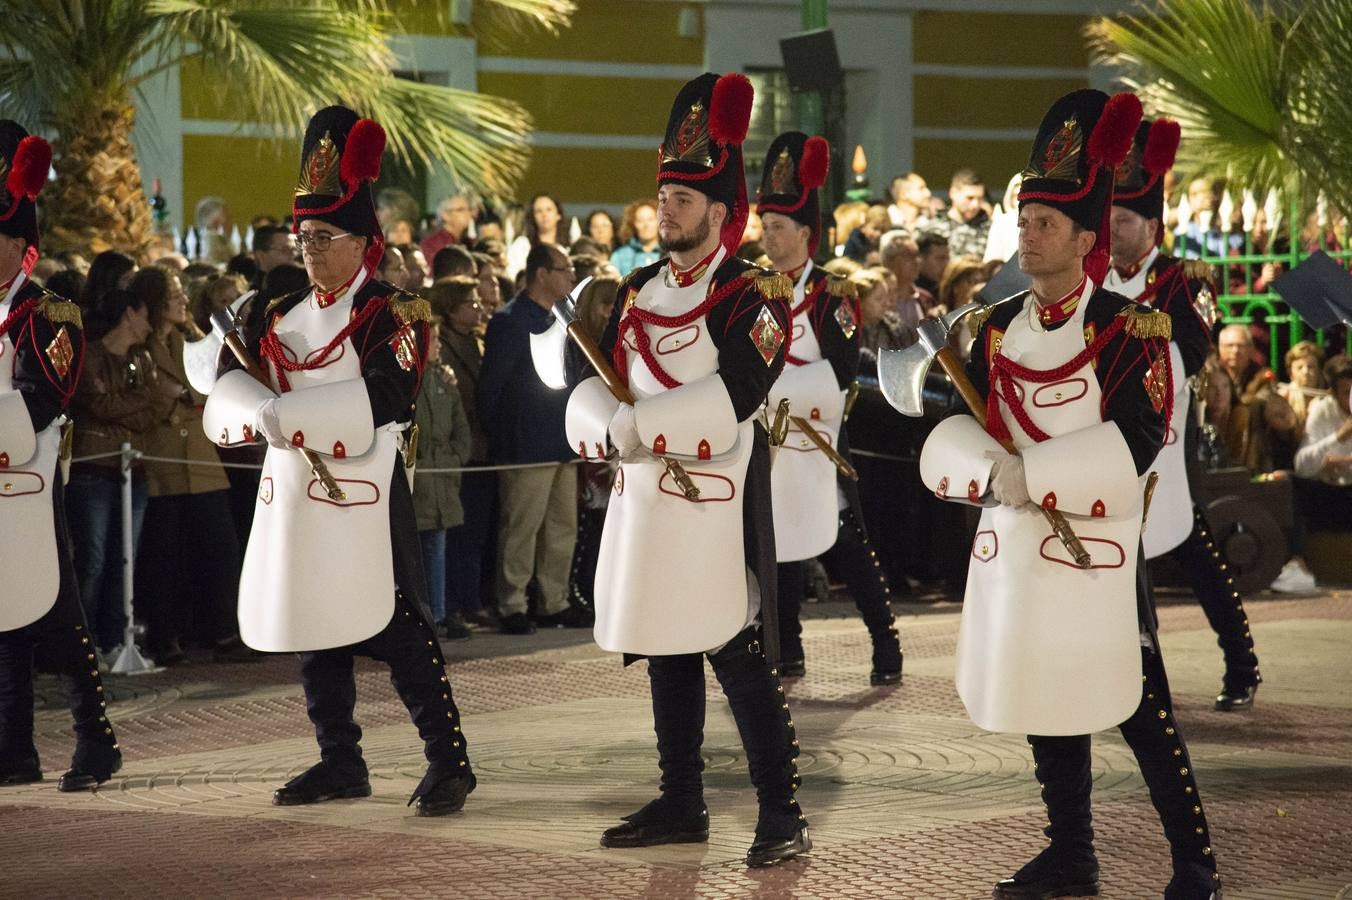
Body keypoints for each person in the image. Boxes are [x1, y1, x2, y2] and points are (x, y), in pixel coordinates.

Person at [912, 90, 1222, 899]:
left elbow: (1138, 439)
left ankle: (1196, 864)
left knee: (1140, 707)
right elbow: (952, 429)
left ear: (1087, 238)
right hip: (1017, 548)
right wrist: (987, 472)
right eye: (1026, 218)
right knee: (1045, 696)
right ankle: (1070, 853)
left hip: (1100, 550)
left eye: (1047, 222)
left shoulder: (1132, 331)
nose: (1029, 232)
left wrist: (1035, 472)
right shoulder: (989, 327)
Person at [564, 72, 809, 867]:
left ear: (718, 209)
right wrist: (603, 427)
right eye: (662, 193)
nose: (664, 208)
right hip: (644, 500)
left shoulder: (755, 292)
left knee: (736, 652)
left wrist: (641, 424)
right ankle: (681, 799)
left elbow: (739, 390)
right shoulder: (635, 290)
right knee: (663, 646)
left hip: (717, 499)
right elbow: (609, 383)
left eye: (681, 197)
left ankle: (782, 812)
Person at [202, 106, 474, 815]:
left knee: (396, 627)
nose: (310, 248)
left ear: (365, 243)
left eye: (324, 237)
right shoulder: (277, 308)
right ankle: (339, 760)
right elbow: (221, 380)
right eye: (303, 235)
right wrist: (244, 403)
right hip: (293, 490)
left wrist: (286, 415)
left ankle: (450, 763)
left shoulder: (396, 312)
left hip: (366, 488)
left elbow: (389, 394)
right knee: (312, 626)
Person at [1106, 117, 1260, 711]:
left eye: (1124, 220)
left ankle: (1241, 664)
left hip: (1167, 437)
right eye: (1109, 219)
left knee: (1193, 549)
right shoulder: (1093, 281)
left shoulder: (1183, 280)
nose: (1112, 231)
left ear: (1152, 224)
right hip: (1111, 437)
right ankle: (1133, 668)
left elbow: (1193, 350)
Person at [0, 122, 122, 791]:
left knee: (58, 614)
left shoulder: (49, 316)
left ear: (21, 244)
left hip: (29, 483)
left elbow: (44, 399)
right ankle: (14, 747)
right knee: (1, 623)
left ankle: (95, 740)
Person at [756, 132, 903, 685]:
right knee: (780, 544)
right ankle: (787, 646)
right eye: (764, 226)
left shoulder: (831, 295)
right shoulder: (754, 291)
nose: (768, 237)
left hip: (816, 438)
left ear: (804, 233)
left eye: (778, 228)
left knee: (845, 542)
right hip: (768, 441)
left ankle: (885, 641)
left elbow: (840, 371)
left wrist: (775, 390)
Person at [131, 267, 251, 665]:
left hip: (201, 460)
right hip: (160, 459)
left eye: (183, 293)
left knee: (221, 547)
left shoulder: (194, 344)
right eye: (174, 295)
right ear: (153, 300)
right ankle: (164, 635)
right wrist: (173, 397)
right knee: (162, 555)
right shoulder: (138, 349)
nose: (183, 301)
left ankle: (225, 631)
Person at [477, 243, 585, 634]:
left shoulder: (562, 316)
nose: (571, 278)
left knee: (562, 526)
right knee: (521, 527)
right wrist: (501, 436)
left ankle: (553, 600)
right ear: (542, 273)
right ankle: (512, 603)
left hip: (560, 438)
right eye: (565, 270)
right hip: (525, 441)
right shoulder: (510, 320)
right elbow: (492, 388)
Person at [412, 317, 474, 638]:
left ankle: (438, 613)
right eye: (433, 340)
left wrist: (455, 458)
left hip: (443, 479)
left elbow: (460, 429)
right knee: (414, 554)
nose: (438, 345)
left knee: (438, 548)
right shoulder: (408, 382)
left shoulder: (443, 381)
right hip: (419, 481)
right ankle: (422, 616)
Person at [506, 193, 564, 281]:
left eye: (549, 209)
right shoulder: (522, 246)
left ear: (558, 215)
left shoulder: (564, 250)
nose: (544, 214)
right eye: (539, 211)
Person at [609, 199, 661, 275]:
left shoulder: (672, 253)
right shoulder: (619, 256)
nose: (646, 225)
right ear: (633, 224)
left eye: (650, 219)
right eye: (640, 220)